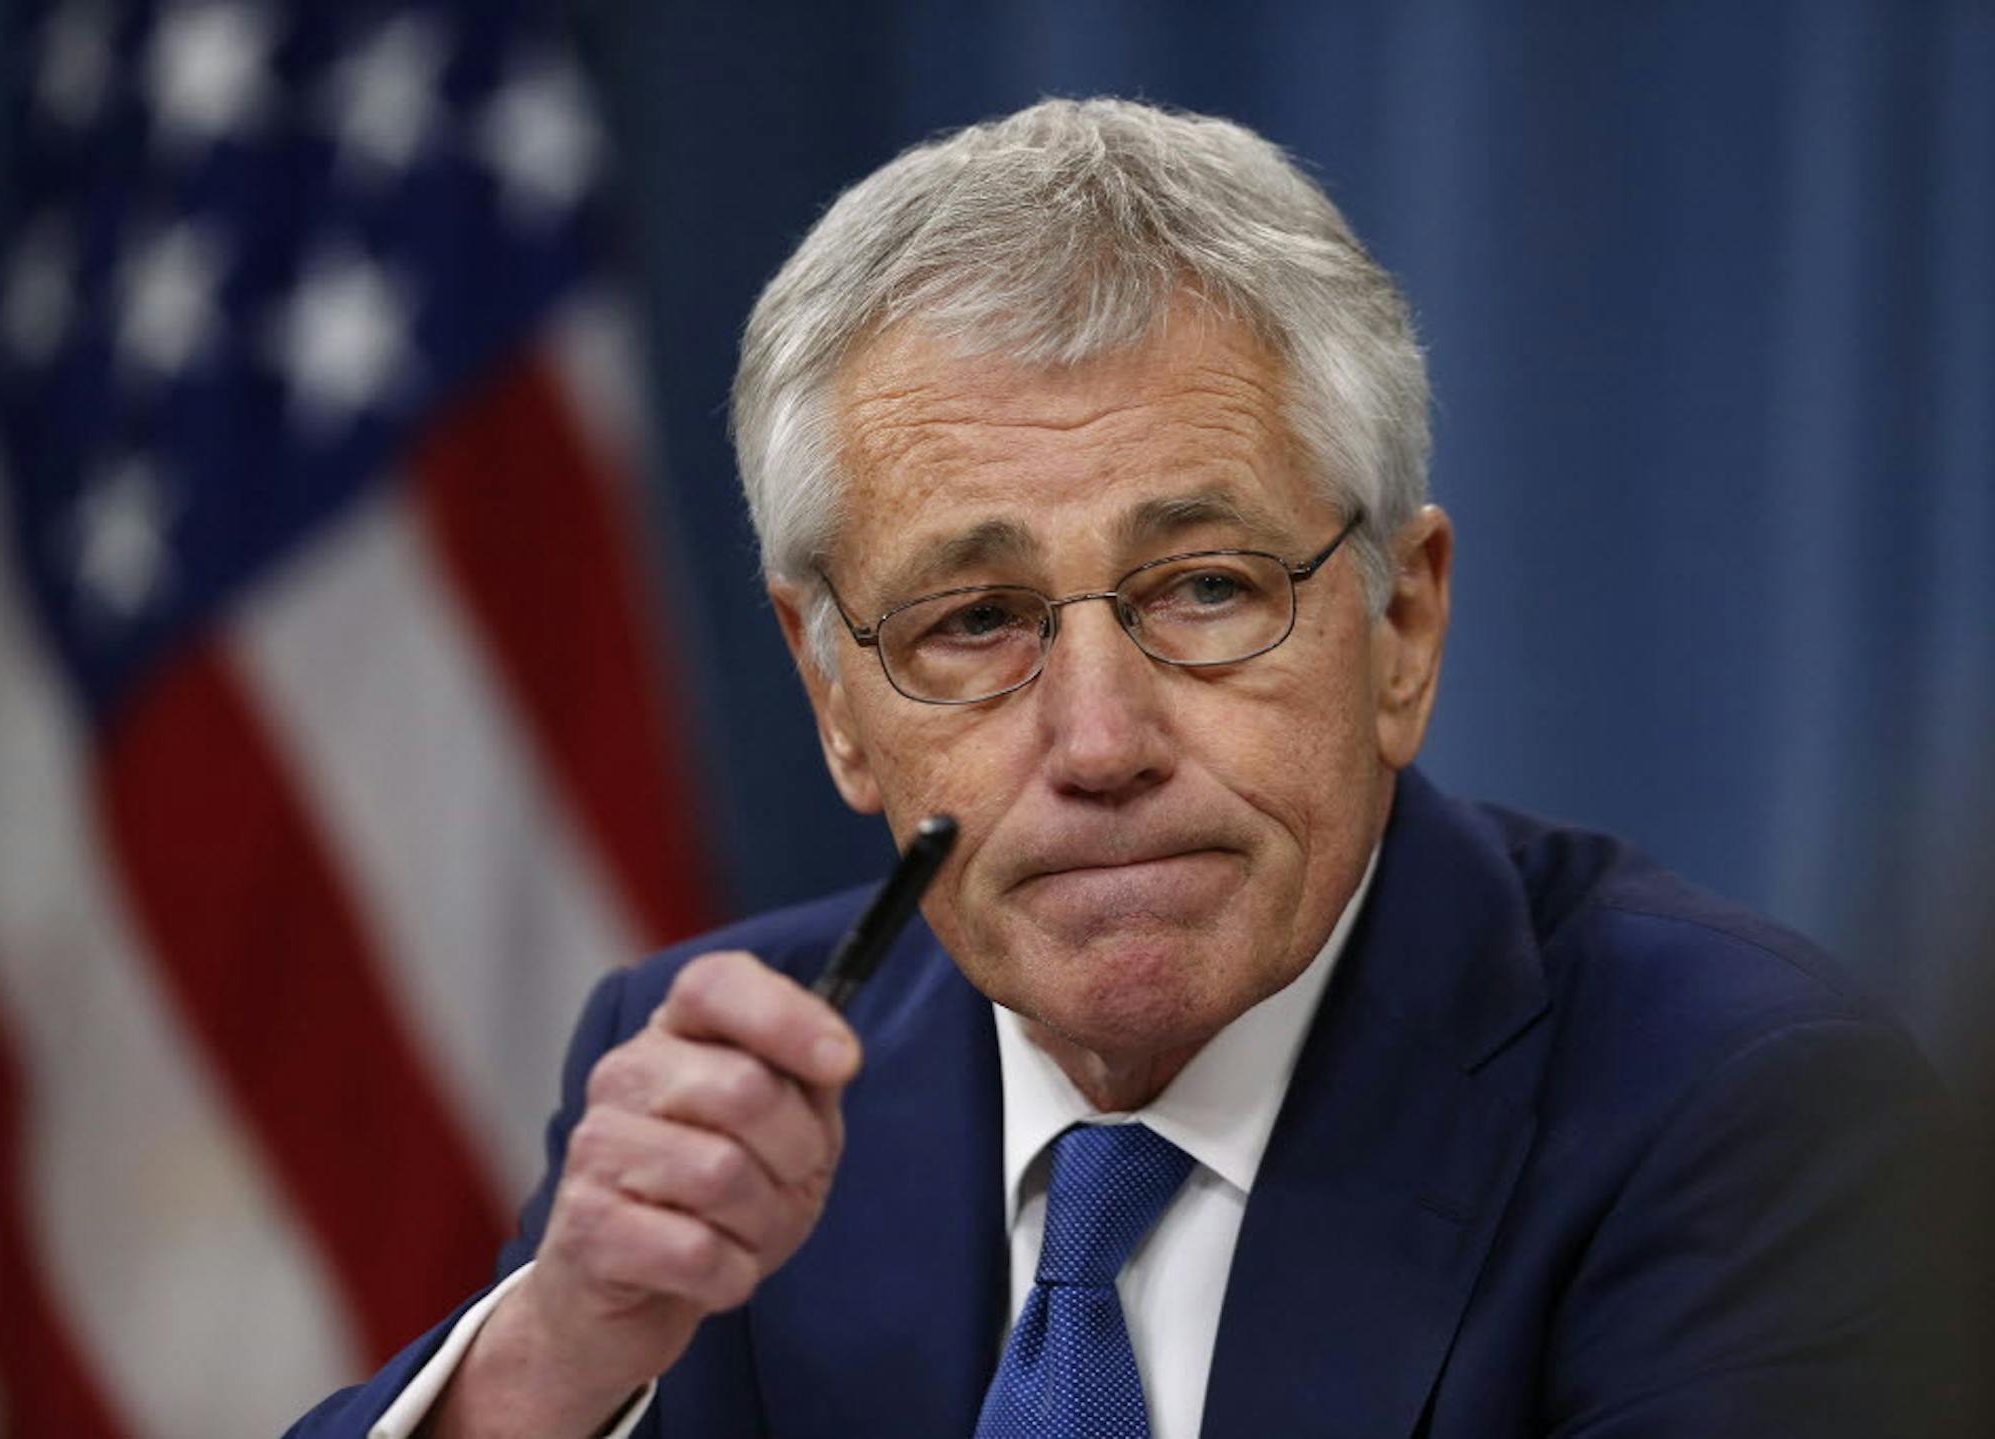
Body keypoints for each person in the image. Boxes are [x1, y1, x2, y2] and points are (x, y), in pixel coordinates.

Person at [289, 98, 1959, 1439]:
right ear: (835, 701)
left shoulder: (1742, 1118)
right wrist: (547, 1371)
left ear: (1404, 628)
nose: (1098, 743)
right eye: (974, 620)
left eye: (1207, 589)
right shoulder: (727, 1084)